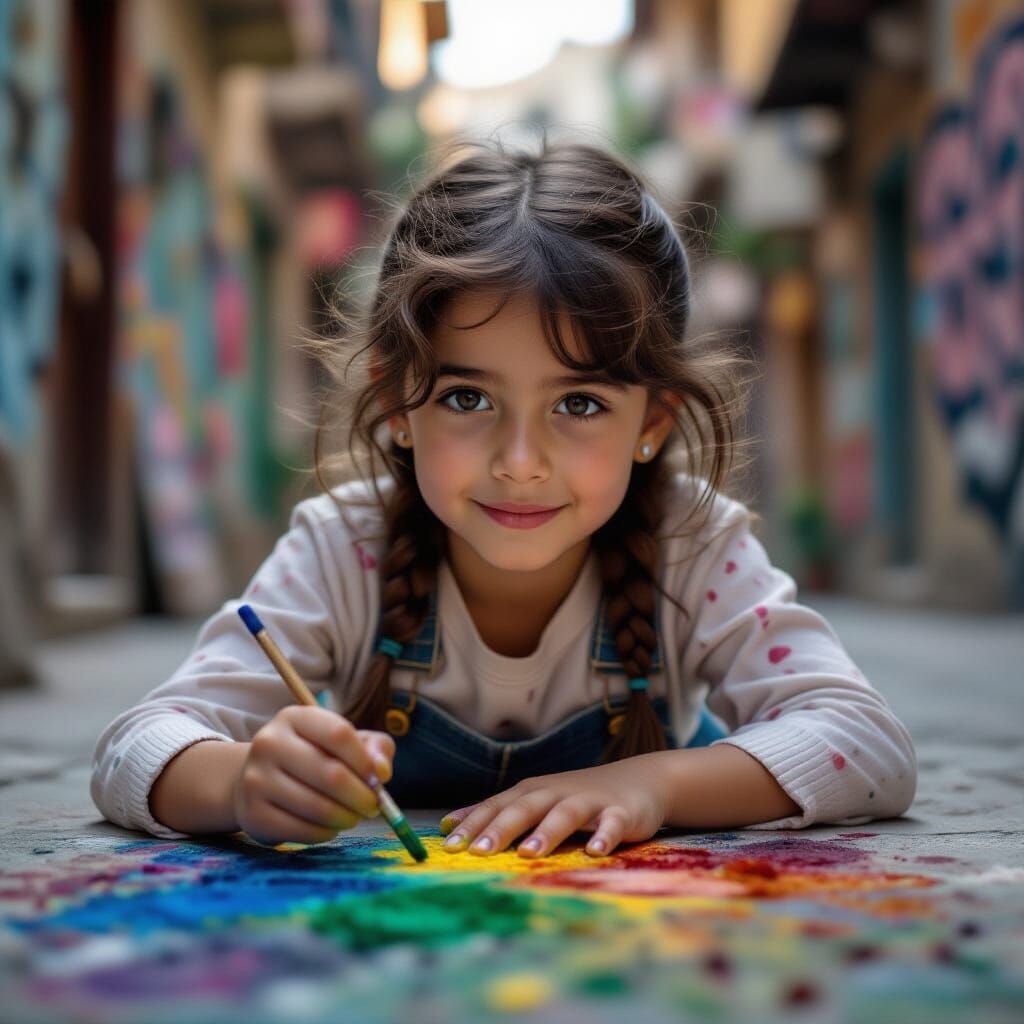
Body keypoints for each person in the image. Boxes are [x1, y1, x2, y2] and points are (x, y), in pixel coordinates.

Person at [91, 135, 916, 857]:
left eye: (580, 404)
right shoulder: (343, 547)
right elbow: (135, 747)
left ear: (653, 423)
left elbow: (867, 743)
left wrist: (655, 785)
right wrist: (239, 781)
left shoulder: (691, 544)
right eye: (467, 399)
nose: (520, 463)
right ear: (396, 400)